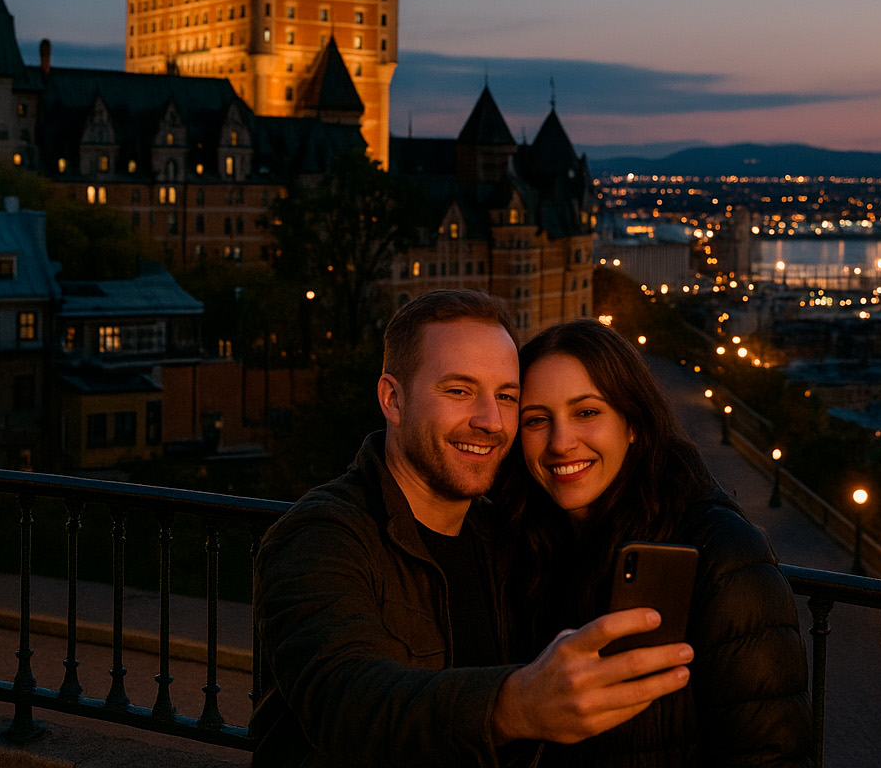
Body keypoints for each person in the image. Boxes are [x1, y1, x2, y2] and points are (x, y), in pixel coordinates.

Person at [251, 290, 695, 766]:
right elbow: (348, 700)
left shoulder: (508, 539)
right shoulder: (320, 537)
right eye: (459, 391)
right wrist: (513, 705)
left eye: (506, 397)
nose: (490, 421)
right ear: (393, 399)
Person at [499, 318, 812, 767]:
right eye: (537, 420)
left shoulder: (722, 553)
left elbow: (770, 754)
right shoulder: (528, 544)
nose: (561, 442)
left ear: (634, 424)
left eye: (587, 412)